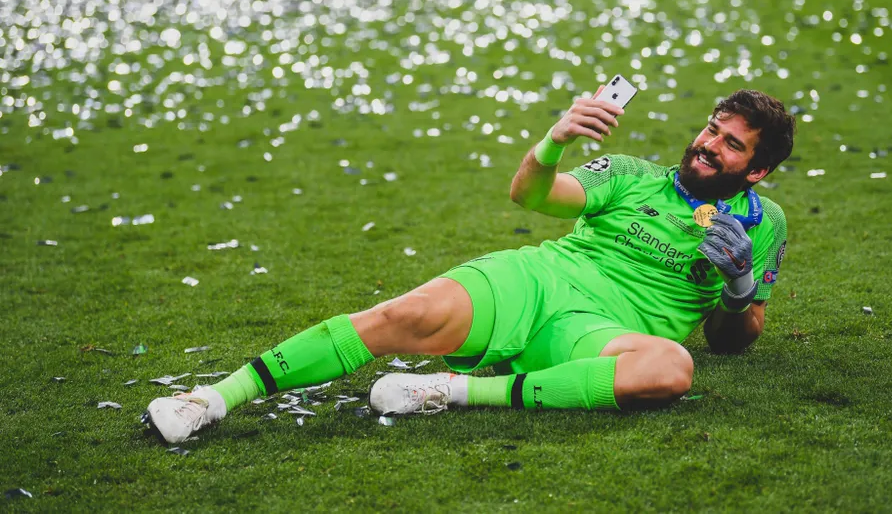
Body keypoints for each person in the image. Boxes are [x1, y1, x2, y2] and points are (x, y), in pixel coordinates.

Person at [147, 87, 794, 443]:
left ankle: (448, 392)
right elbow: (533, 195)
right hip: (536, 280)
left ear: (758, 170)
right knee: (405, 312)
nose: (708, 144)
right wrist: (556, 139)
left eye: (730, 143)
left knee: (671, 368)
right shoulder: (630, 175)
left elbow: (731, 342)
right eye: (711, 128)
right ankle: (210, 399)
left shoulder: (764, 226)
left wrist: (739, 290)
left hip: (599, 334)